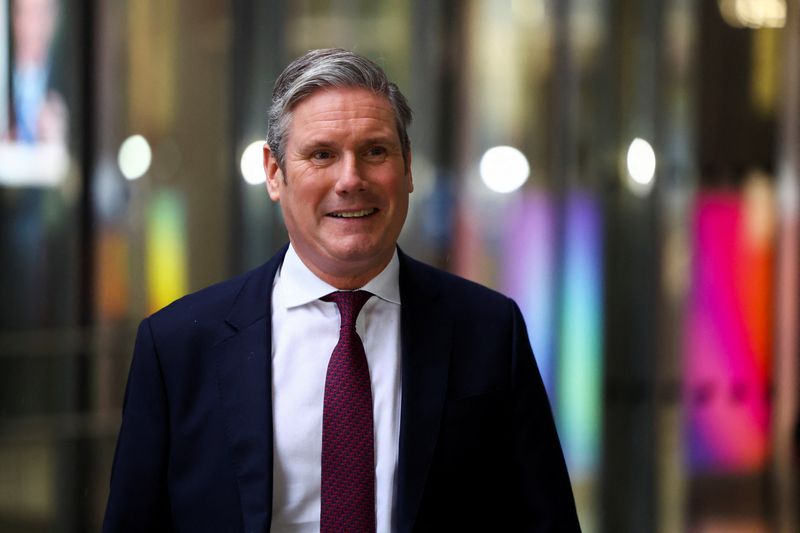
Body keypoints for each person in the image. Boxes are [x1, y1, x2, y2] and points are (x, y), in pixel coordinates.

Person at [103, 48, 580, 532]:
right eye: (322, 154)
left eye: (375, 151)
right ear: (274, 173)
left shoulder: (490, 332)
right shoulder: (178, 347)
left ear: (408, 167)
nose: (351, 180)